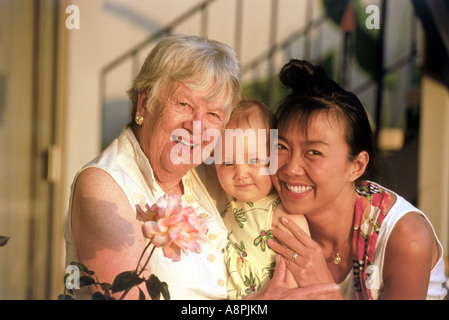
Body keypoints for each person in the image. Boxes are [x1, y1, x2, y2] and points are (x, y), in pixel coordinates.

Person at [65, 35, 242, 300]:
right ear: (143, 103)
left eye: (213, 115)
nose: (197, 127)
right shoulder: (104, 185)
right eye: (184, 104)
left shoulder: (210, 178)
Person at [264, 59, 447, 299]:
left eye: (314, 152)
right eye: (282, 146)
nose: (291, 168)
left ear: (357, 166)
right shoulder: (264, 211)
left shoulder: (405, 237)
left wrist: (324, 289)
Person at [215, 99, 309, 299]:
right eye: (228, 162)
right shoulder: (224, 202)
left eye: (254, 160)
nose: (240, 172)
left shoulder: (284, 216)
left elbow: (292, 290)